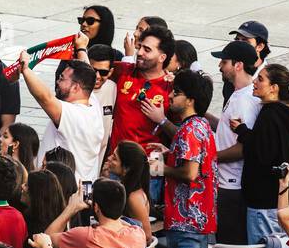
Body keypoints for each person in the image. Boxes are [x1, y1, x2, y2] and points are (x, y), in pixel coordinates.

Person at [235, 63, 289, 247]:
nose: (254, 82)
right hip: (282, 200)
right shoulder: (288, 112)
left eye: (260, 79)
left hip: (265, 204)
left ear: (273, 88)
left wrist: (243, 132)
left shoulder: (269, 116)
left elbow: (262, 154)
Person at [161, 68, 217, 248]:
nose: (171, 96)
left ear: (190, 100)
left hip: (185, 221)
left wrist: (160, 168)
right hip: (199, 220)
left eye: (177, 92)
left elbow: (190, 173)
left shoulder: (189, 130)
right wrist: (168, 153)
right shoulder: (201, 125)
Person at [210, 40, 263, 248]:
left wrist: (211, 157)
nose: (220, 66)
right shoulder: (239, 94)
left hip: (232, 187)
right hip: (228, 185)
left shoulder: (245, 100)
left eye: (224, 62)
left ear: (238, 65)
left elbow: (243, 147)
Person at [19, 53, 104, 183]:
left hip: (62, 192)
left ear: (76, 87)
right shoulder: (93, 104)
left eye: (62, 78)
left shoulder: (74, 115)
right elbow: (87, 72)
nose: (57, 82)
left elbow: (45, 98)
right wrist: (81, 48)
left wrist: (25, 69)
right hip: (80, 187)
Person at [105, 23, 175, 156]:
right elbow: (92, 68)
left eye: (147, 50)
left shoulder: (172, 88)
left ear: (162, 57)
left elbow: (184, 135)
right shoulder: (123, 71)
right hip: (116, 163)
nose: (140, 52)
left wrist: (162, 121)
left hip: (152, 167)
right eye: (140, 47)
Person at [103, 140, 153, 245]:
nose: (109, 158)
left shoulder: (133, 198)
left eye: (114, 158)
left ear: (126, 168)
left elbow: (147, 236)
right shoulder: (125, 188)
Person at [18, 169, 67, 248]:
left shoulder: (31, 223)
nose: (22, 186)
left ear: (36, 193)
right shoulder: (59, 218)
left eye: (27, 185)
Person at [85, 42, 120, 153]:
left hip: (98, 161)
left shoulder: (113, 88)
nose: (97, 76)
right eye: (93, 70)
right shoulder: (74, 88)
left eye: (103, 72)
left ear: (110, 72)